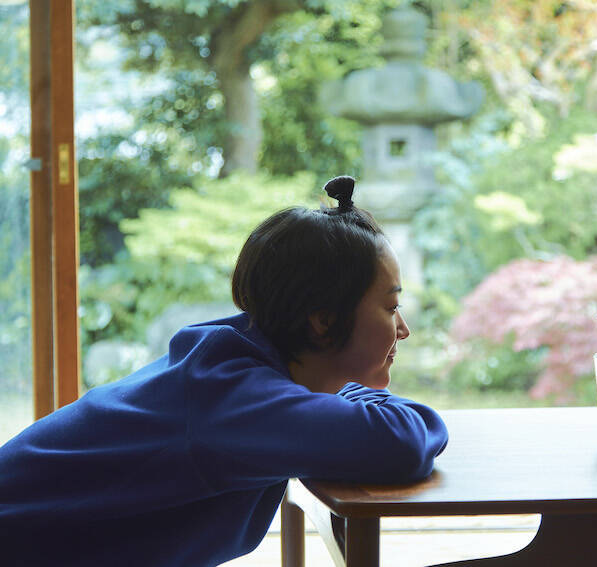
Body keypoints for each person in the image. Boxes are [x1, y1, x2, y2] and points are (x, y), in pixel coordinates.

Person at [0, 176, 448, 567]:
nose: (403, 329)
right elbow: (402, 440)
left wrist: (343, 396)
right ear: (323, 320)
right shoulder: (235, 397)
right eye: (391, 307)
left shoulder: (237, 364)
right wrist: (352, 398)